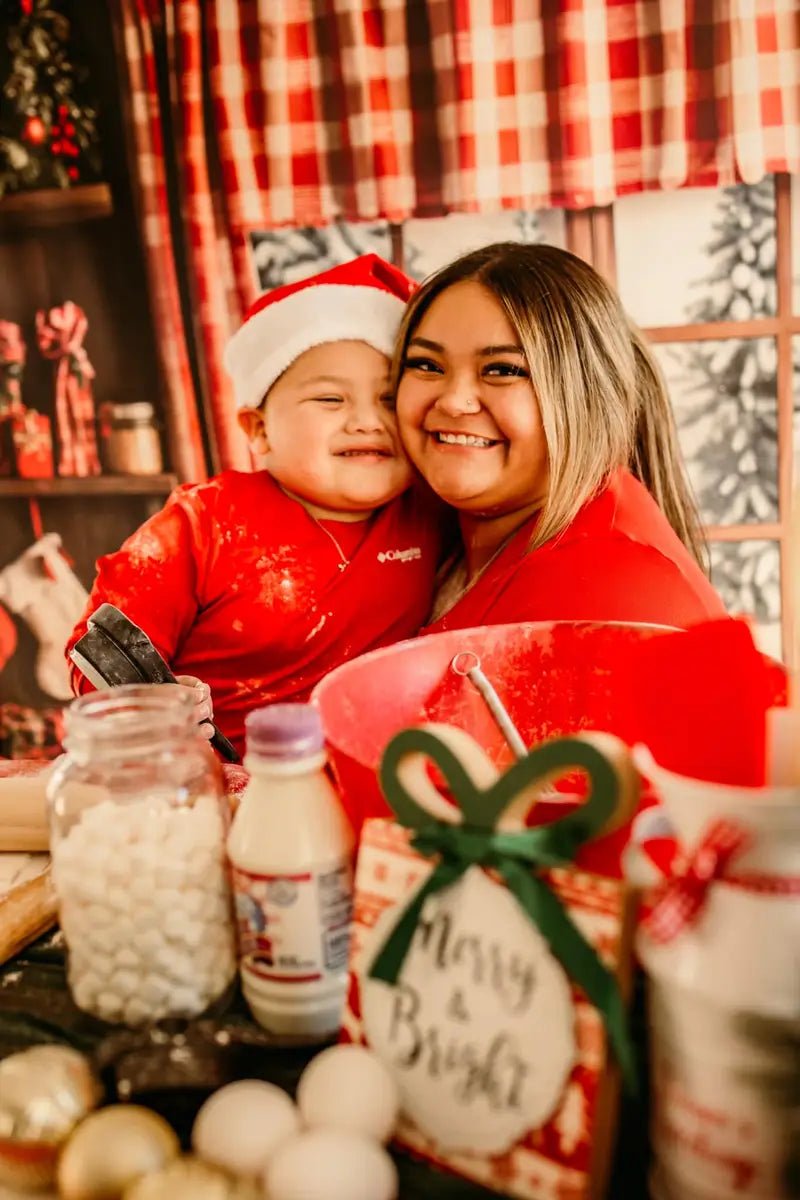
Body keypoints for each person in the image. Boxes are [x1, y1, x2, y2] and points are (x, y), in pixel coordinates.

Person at [67, 255, 444, 758]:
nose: (367, 421)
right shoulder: (202, 524)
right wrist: (154, 706)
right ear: (258, 429)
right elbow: (98, 650)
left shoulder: (433, 515)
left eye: (390, 400)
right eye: (331, 400)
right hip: (214, 783)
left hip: (364, 784)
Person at [392, 241, 726, 633]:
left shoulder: (611, 592)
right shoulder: (422, 545)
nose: (452, 401)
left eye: (502, 369)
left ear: (587, 396)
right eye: (426, 365)